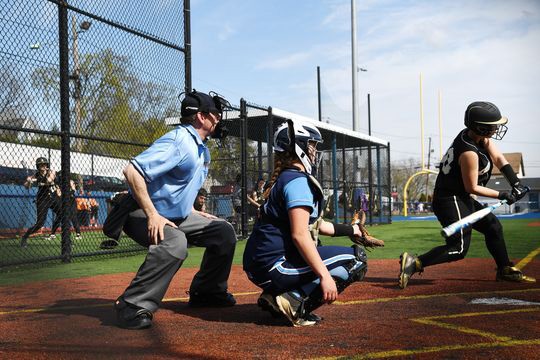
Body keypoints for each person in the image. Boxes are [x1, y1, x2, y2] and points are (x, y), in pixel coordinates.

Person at [113, 90, 238, 330]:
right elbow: (132, 171)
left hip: (175, 215)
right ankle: (132, 304)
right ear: (201, 117)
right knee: (174, 243)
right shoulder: (179, 141)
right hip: (140, 212)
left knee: (223, 232)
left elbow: (180, 184)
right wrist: (152, 215)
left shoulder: (201, 148)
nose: (219, 119)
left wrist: (191, 209)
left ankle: (207, 292)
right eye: (215, 114)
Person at [243, 119, 370, 327]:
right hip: (275, 266)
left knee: (323, 251)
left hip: (261, 264)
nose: (314, 151)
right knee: (355, 260)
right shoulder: (297, 181)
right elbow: (300, 234)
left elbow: (315, 225)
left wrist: (352, 229)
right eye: (311, 145)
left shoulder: (284, 178)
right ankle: (293, 300)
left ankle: (275, 295)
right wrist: (324, 277)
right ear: (298, 147)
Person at [398, 101, 535, 289]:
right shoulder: (469, 152)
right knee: (458, 248)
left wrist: (516, 183)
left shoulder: (479, 138)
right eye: (493, 126)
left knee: (493, 227)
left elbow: (499, 159)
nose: (496, 128)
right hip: (450, 199)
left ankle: (505, 269)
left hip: (461, 197)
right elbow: (472, 187)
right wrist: (503, 194)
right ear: (481, 128)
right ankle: (415, 262)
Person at [20, 157, 62, 247]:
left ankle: (65, 239)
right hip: (42, 199)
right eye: (41, 165)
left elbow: (49, 180)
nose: (43, 166)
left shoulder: (51, 172)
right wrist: (28, 182)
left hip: (53, 198)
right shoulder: (35, 175)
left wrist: (35, 180)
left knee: (63, 215)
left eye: (45, 164)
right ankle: (25, 237)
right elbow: (26, 186)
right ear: (38, 166)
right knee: (40, 224)